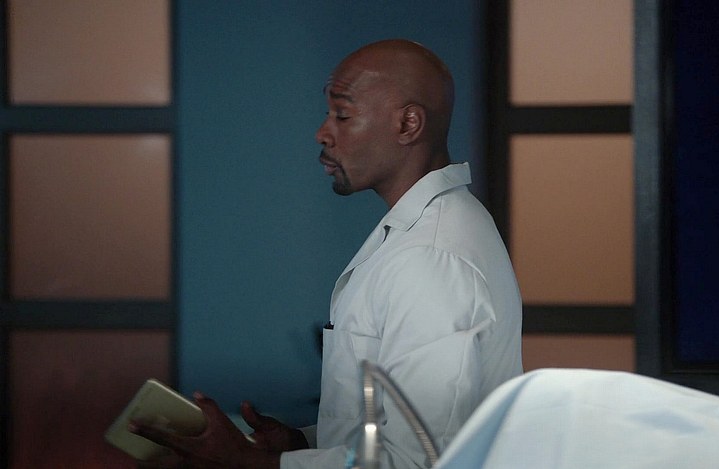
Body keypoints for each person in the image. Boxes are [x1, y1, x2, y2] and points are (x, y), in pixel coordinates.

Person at [131, 38, 522, 468]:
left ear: (408, 124)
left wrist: (252, 464)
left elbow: (421, 460)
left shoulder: (431, 257)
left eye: (343, 115)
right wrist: (299, 442)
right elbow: (397, 424)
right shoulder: (427, 232)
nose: (323, 132)